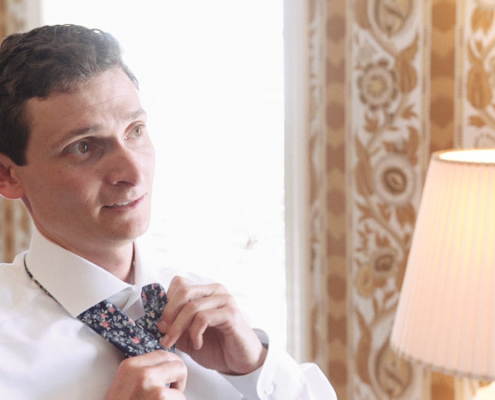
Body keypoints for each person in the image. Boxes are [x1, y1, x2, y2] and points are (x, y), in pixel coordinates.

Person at [0, 24, 337, 399]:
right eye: (83, 147)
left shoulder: (210, 314)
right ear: (8, 176)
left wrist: (255, 367)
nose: (133, 172)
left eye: (136, 131)